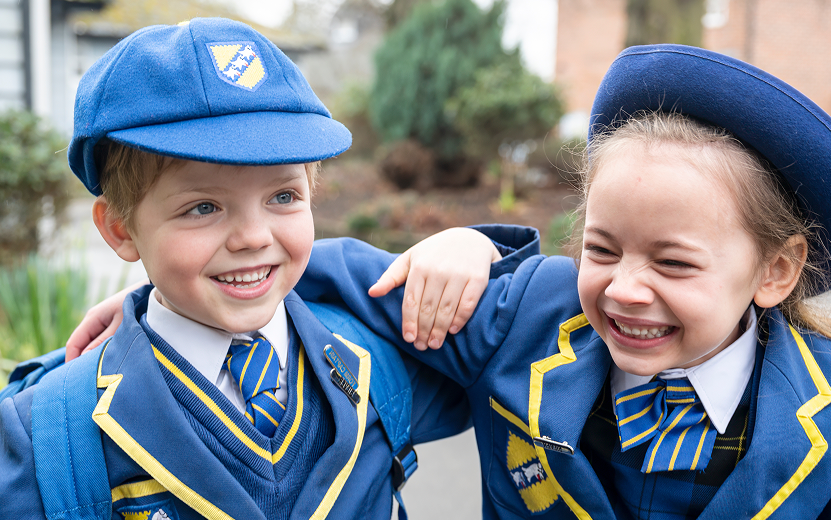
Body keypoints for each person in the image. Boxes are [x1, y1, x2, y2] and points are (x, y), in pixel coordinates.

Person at [67, 44, 831, 518]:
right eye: (599, 249)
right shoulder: (527, 317)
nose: (626, 288)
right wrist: (155, 300)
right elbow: (343, 277)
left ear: (775, 270)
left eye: (672, 263)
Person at [0, 17, 504, 520]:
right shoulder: (50, 436)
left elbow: (539, 349)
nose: (254, 238)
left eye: (283, 196)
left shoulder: (380, 356)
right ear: (120, 230)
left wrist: (477, 247)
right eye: (203, 207)